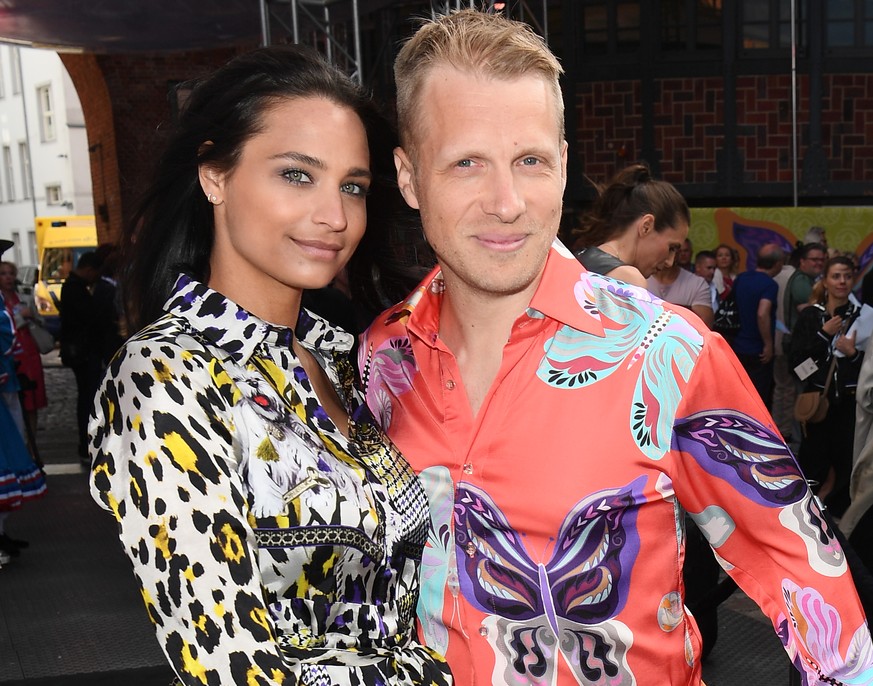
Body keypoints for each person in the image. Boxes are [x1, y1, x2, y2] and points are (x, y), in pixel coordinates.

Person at [360, 9, 873, 685]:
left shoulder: (668, 353)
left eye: (530, 160)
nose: (507, 201)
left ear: (564, 165)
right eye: (466, 163)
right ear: (406, 175)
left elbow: (814, 590)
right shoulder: (380, 358)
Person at [87, 45, 451, 686]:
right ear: (214, 176)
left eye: (353, 187)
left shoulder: (345, 358)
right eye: (296, 175)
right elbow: (226, 661)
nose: (334, 217)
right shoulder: (162, 377)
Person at [789, 256, 864, 518]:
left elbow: (867, 365)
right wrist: (824, 335)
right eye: (836, 276)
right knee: (814, 460)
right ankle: (808, 514)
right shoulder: (812, 316)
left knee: (846, 460)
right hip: (817, 401)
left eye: (847, 276)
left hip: (850, 401)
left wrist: (852, 354)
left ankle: (839, 518)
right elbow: (796, 366)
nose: (842, 281)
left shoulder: (864, 316)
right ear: (825, 281)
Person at [570, 163, 689, 289]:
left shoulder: (576, 260)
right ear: (646, 226)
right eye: (671, 248)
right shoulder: (629, 279)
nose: (670, 262)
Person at [0, 260, 48, 455]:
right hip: (10, 354)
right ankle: (17, 446)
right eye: (3, 274)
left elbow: (41, 320)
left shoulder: (25, 297)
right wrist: (19, 318)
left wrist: (33, 316)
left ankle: (32, 446)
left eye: (11, 273)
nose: (8, 277)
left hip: (29, 353)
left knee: (32, 402)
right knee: (15, 402)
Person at [729, 244, 784, 408]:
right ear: (778, 263)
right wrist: (768, 344)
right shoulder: (770, 285)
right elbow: (762, 313)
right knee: (757, 400)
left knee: (738, 395)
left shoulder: (741, 278)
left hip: (737, 345)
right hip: (757, 350)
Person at [59, 250, 102, 462]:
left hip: (82, 351)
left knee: (87, 396)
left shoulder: (73, 287)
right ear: (89, 270)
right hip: (83, 352)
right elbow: (90, 318)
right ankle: (86, 443)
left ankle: (87, 443)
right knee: (87, 397)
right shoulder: (75, 289)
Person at [646, 258, 714, 328]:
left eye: (673, 249)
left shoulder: (698, 284)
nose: (670, 259)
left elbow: (704, 327)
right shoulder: (637, 280)